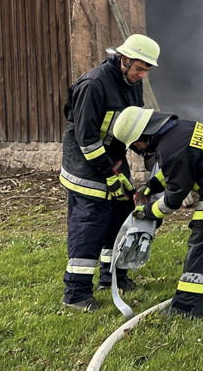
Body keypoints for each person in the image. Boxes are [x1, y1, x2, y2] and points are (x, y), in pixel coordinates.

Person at [112, 106, 203, 318]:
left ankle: (185, 307)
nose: (138, 148)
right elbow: (182, 167)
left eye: (136, 144)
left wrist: (147, 212)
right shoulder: (178, 130)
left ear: (142, 135)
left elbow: (173, 199)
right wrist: (152, 186)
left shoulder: (171, 147)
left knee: (202, 242)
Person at [60, 34, 160, 312]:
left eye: (146, 71)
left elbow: (131, 125)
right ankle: (76, 294)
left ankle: (113, 278)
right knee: (90, 223)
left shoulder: (132, 83)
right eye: (138, 68)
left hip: (112, 157)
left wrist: (149, 152)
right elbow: (87, 139)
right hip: (85, 162)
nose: (141, 75)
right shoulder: (94, 84)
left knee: (121, 214)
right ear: (124, 59)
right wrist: (109, 175)